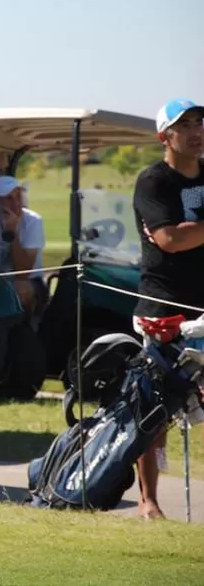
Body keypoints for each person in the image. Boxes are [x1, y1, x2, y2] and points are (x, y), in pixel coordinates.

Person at [131, 97, 204, 520]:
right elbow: (170, 240)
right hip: (165, 308)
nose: (196, 130)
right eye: (185, 124)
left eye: (199, 122)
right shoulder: (152, 182)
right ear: (166, 136)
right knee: (157, 407)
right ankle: (149, 501)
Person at [0, 176, 47, 318]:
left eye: (18, 196)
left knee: (20, 288)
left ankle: (26, 330)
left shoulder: (33, 221)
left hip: (29, 281)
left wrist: (12, 232)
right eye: (9, 198)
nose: (16, 202)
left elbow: (22, 272)